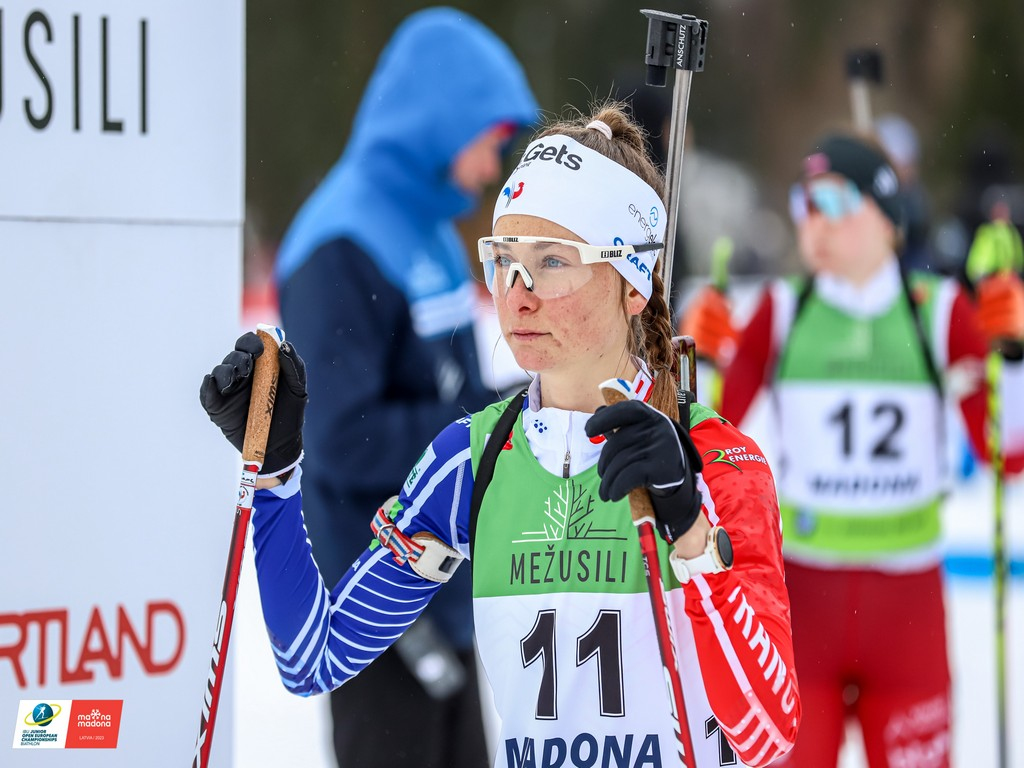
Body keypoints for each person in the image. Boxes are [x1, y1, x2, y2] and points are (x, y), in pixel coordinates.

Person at [201, 103, 802, 767]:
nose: (518, 295)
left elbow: (768, 737)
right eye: (504, 259)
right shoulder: (474, 461)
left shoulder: (714, 461)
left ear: (634, 282)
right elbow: (312, 659)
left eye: (553, 262)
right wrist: (277, 472)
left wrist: (690, 532)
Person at [681, 132, 1024, 767]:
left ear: (885, 215)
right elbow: (702, 441)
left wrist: (1015, 356)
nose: (812, 219)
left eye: (833, 201)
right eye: (803, 201)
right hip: (803, 604)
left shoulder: (939, 312)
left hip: (908, 614)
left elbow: (1008, 455)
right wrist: (696, 359)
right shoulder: (782, 310)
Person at [269, 7, 538, 767]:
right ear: (440, 122)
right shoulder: (339, 244)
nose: (493, 166)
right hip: (373, 609)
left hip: (445, 592)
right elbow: (340, 439)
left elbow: (455, 393)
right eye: (491, 141)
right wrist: (491, 428)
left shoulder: (433, 230)